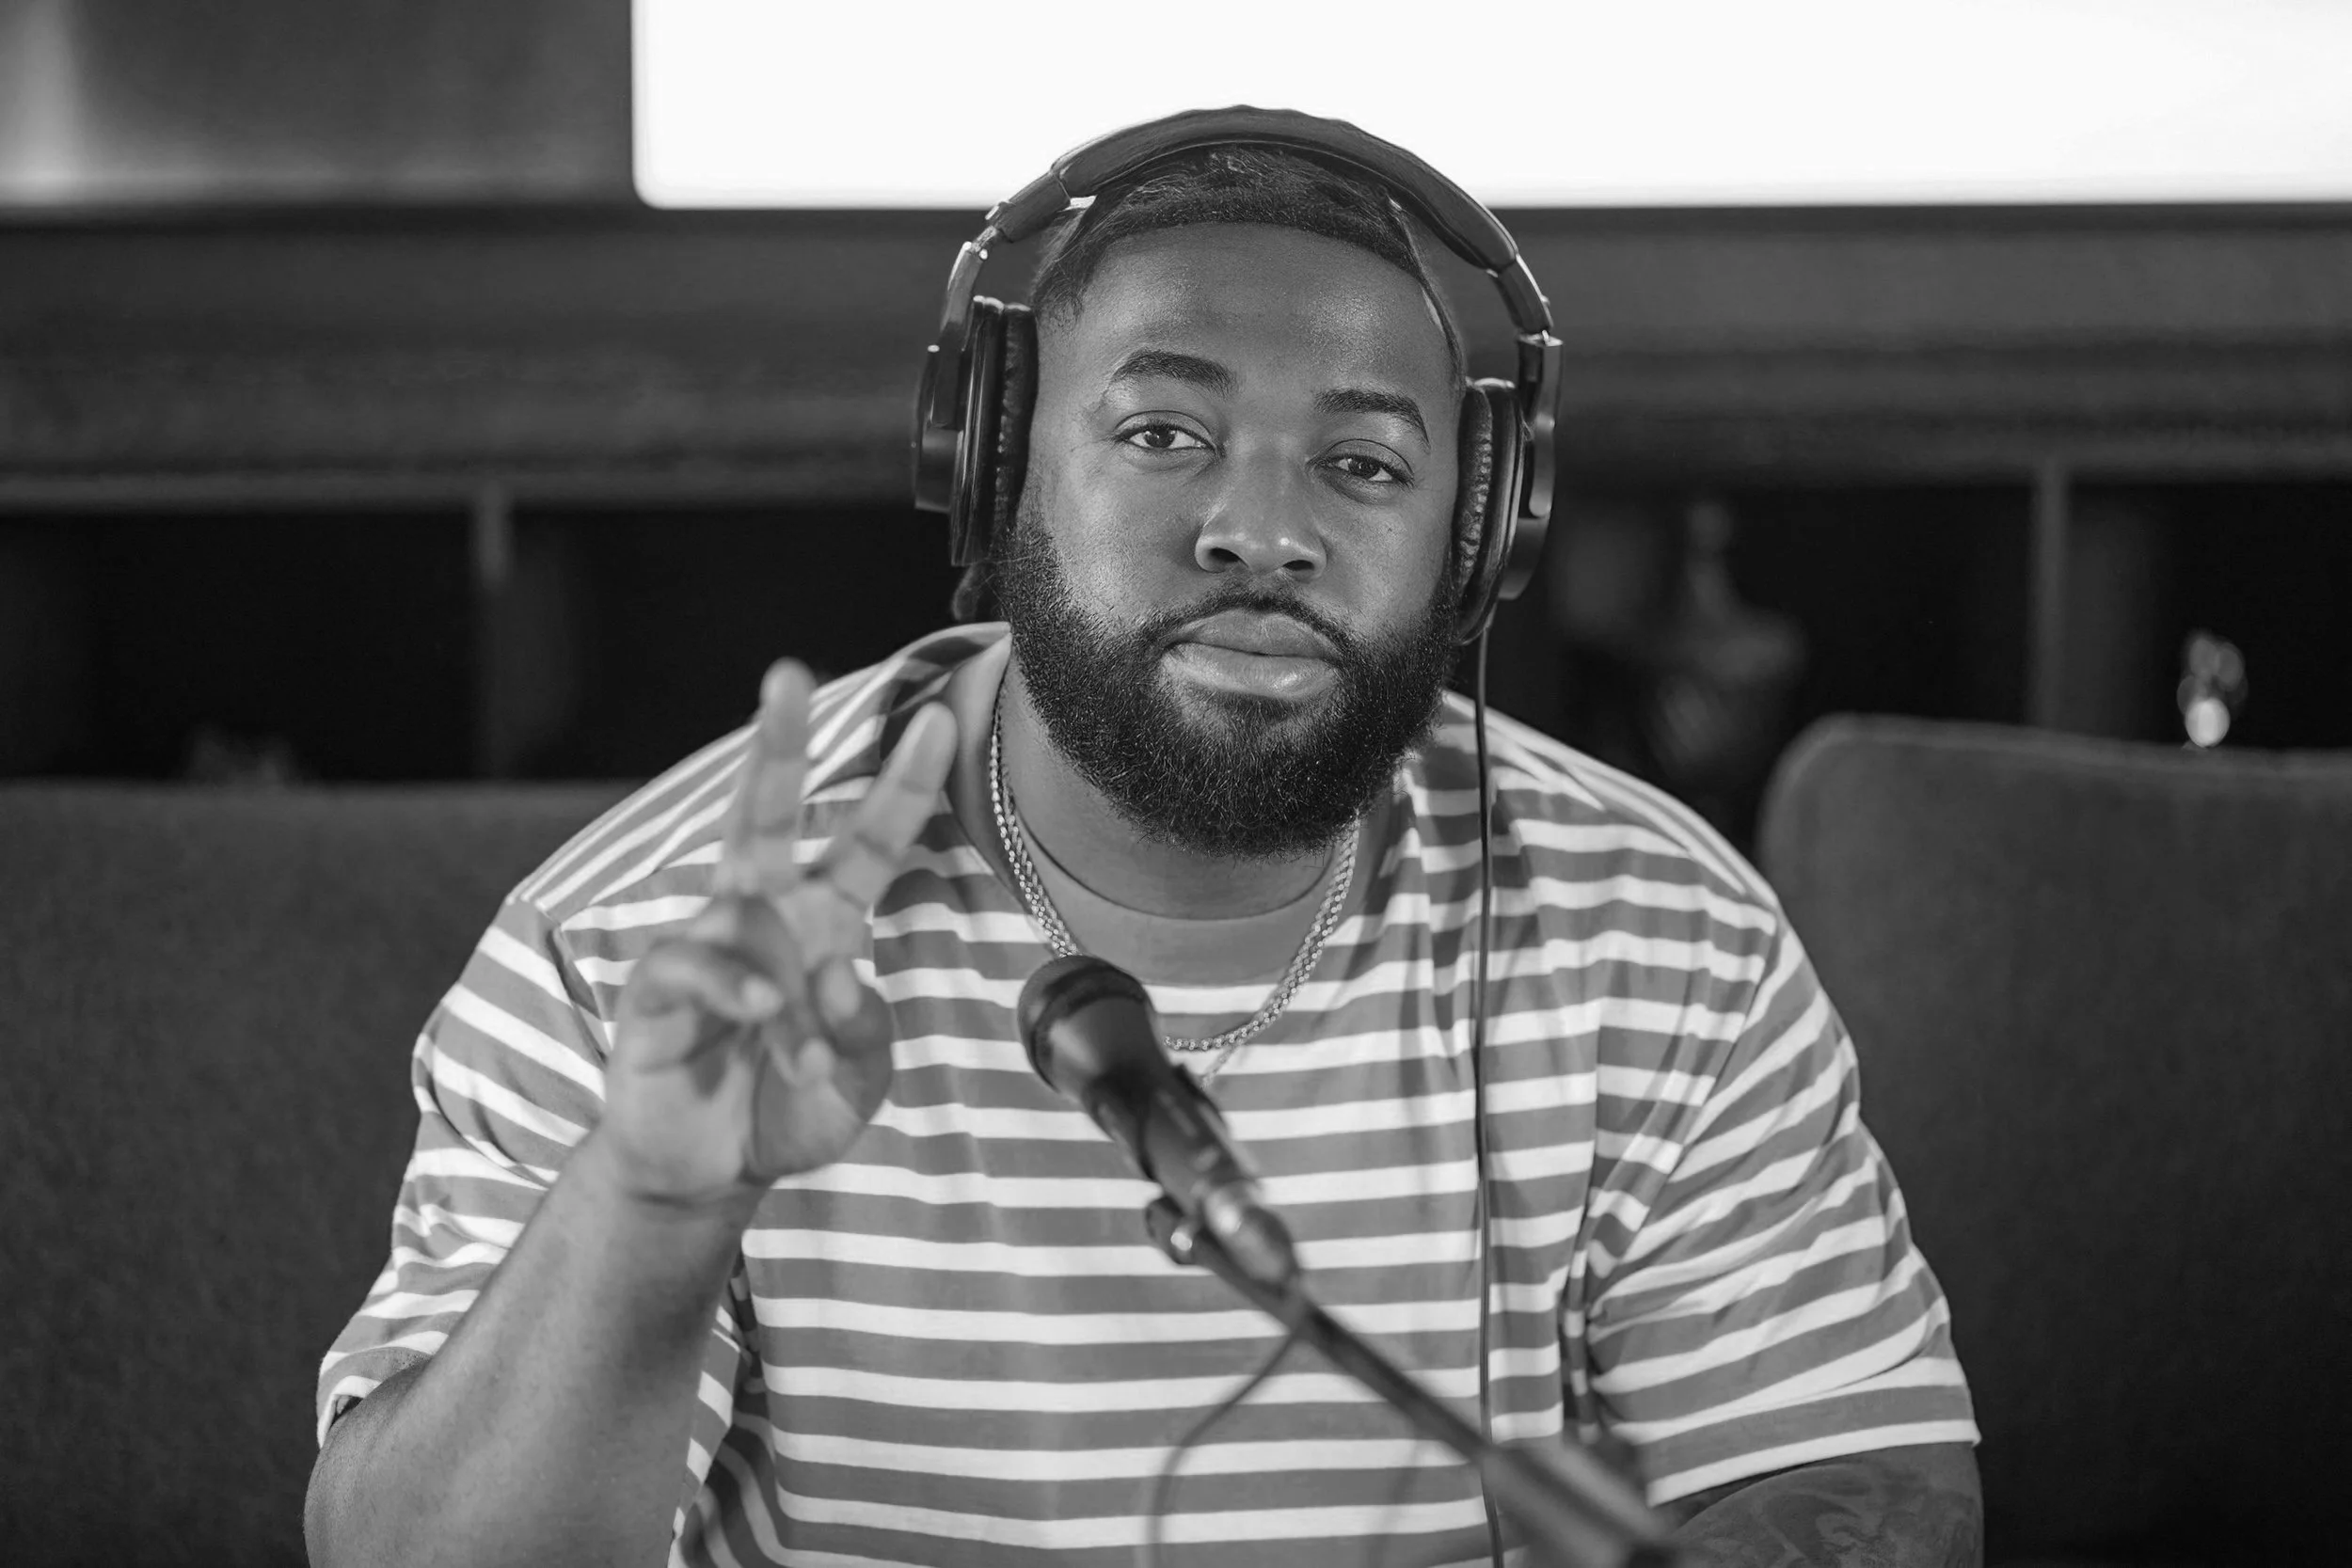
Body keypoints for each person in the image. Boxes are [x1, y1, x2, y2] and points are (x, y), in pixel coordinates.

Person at [306, 121, 1981, 1568]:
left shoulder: (1662, 933)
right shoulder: (647, 947)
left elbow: (1865, 1483)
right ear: (998, 477)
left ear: (1478, 540)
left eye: (1363, 461)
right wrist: (652, 1199)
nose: (1263, 530)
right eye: (1164, 433)